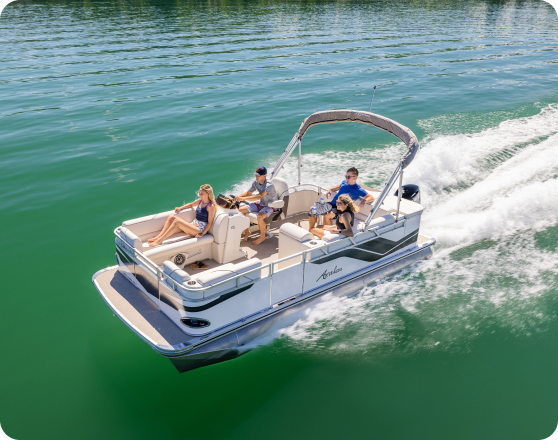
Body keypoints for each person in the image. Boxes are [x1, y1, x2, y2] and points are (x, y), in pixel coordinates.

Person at [148, 184, 217, 246]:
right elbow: (191, 204)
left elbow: (210, 223)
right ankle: (158, 237)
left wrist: (202, 234)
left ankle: (159, 241)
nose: (199, 194)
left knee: (177, 221)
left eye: (202, 193)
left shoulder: (210, 206)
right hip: (193, 225)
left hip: (199, 230)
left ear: (208, 194)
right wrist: (180, 208)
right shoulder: (200, 201)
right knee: (171, 217)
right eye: (199, 192)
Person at [308, 167, 375, 231]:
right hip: (332, 204)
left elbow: (371, 197)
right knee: (312, 209)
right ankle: (311, 229)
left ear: (355, 178)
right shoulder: (345, 182)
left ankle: (329, 235)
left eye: (348, 177)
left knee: (327, 215)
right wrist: (331, 189)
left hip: (340, 208)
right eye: (346, 176)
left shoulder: (358, 189)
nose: (346, 178)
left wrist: (363, 201)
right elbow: (339, 186)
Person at [234, 166, 278, 245]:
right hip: (260, 204)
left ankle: (262, 236)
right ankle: (247, 232)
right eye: (256, 175)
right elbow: (248, 193)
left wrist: (243, 199)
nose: (256, 176)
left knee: (259, 217)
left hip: (270, 205)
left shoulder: (269, 184)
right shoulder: (255, 183)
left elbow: (258, 196)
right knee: (241, 210)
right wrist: (237, 198)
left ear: (264, 176)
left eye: (258, 175)